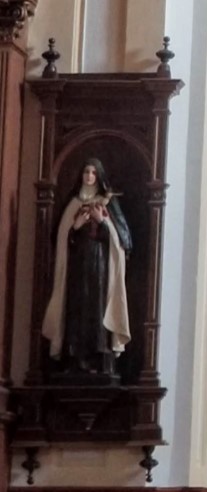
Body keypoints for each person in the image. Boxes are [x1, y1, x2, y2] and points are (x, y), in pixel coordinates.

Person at [40, 158, 132, 379]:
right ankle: (74, 357)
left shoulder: (108, 203)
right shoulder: (73, 203)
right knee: (76, 308)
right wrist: (76, 227)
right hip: (77, 267)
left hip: (100, 267)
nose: (89, 176)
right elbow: (59, 238)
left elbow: (125, 240)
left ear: (99, 177)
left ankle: (99, 357)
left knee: (97, 308)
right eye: (86, 172)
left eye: (93, 172)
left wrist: (102, 221)